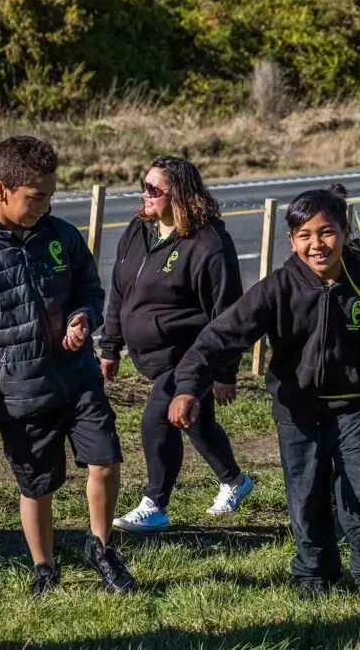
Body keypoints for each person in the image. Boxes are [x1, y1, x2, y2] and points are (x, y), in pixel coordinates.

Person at [167, 187, 360, 609]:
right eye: (305, 235)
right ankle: (315, 572)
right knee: (305, 495)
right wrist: (188, 386)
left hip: (355, 407)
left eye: (327, 233)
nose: (317, 244)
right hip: (297, 412)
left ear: (345, 232)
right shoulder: (278, 288)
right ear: (291, 240)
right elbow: (220, 337)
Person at [0, 136, 134, 595]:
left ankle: (101, 547)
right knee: (36, 485)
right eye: (35, 197)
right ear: (0, 189)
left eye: (50, 196)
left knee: (105, 459)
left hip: (78, 378)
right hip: (18, 392)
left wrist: (85, 317)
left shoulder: (61, 235)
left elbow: (89, 287)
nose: (44, 206)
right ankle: (44, 567)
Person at [99, 156, 253, 533]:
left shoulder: (209, 243)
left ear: (180, 194)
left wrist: (224, 372)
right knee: (195, 421)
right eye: (144, 185)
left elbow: (227, 312)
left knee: (159, 417)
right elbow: (120, 289)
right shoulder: (139, 229)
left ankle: (156, 503)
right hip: (150, 354)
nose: (145, 194)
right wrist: (110, 345)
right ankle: (234, 480)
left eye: (154, 189)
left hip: (191, 354)